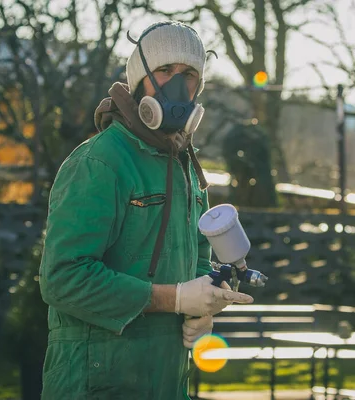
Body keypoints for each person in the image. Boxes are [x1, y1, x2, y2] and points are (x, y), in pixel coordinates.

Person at [38, 21, 254, 399]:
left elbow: (196, 262)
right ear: (139, 82)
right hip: (96, 384)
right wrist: (173, 298)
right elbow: (62, 277)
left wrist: (203, 304)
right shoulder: (100, 162)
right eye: (164, 71)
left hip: (165, 382)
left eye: (188, 74)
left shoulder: (185, 167)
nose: (177, 84)